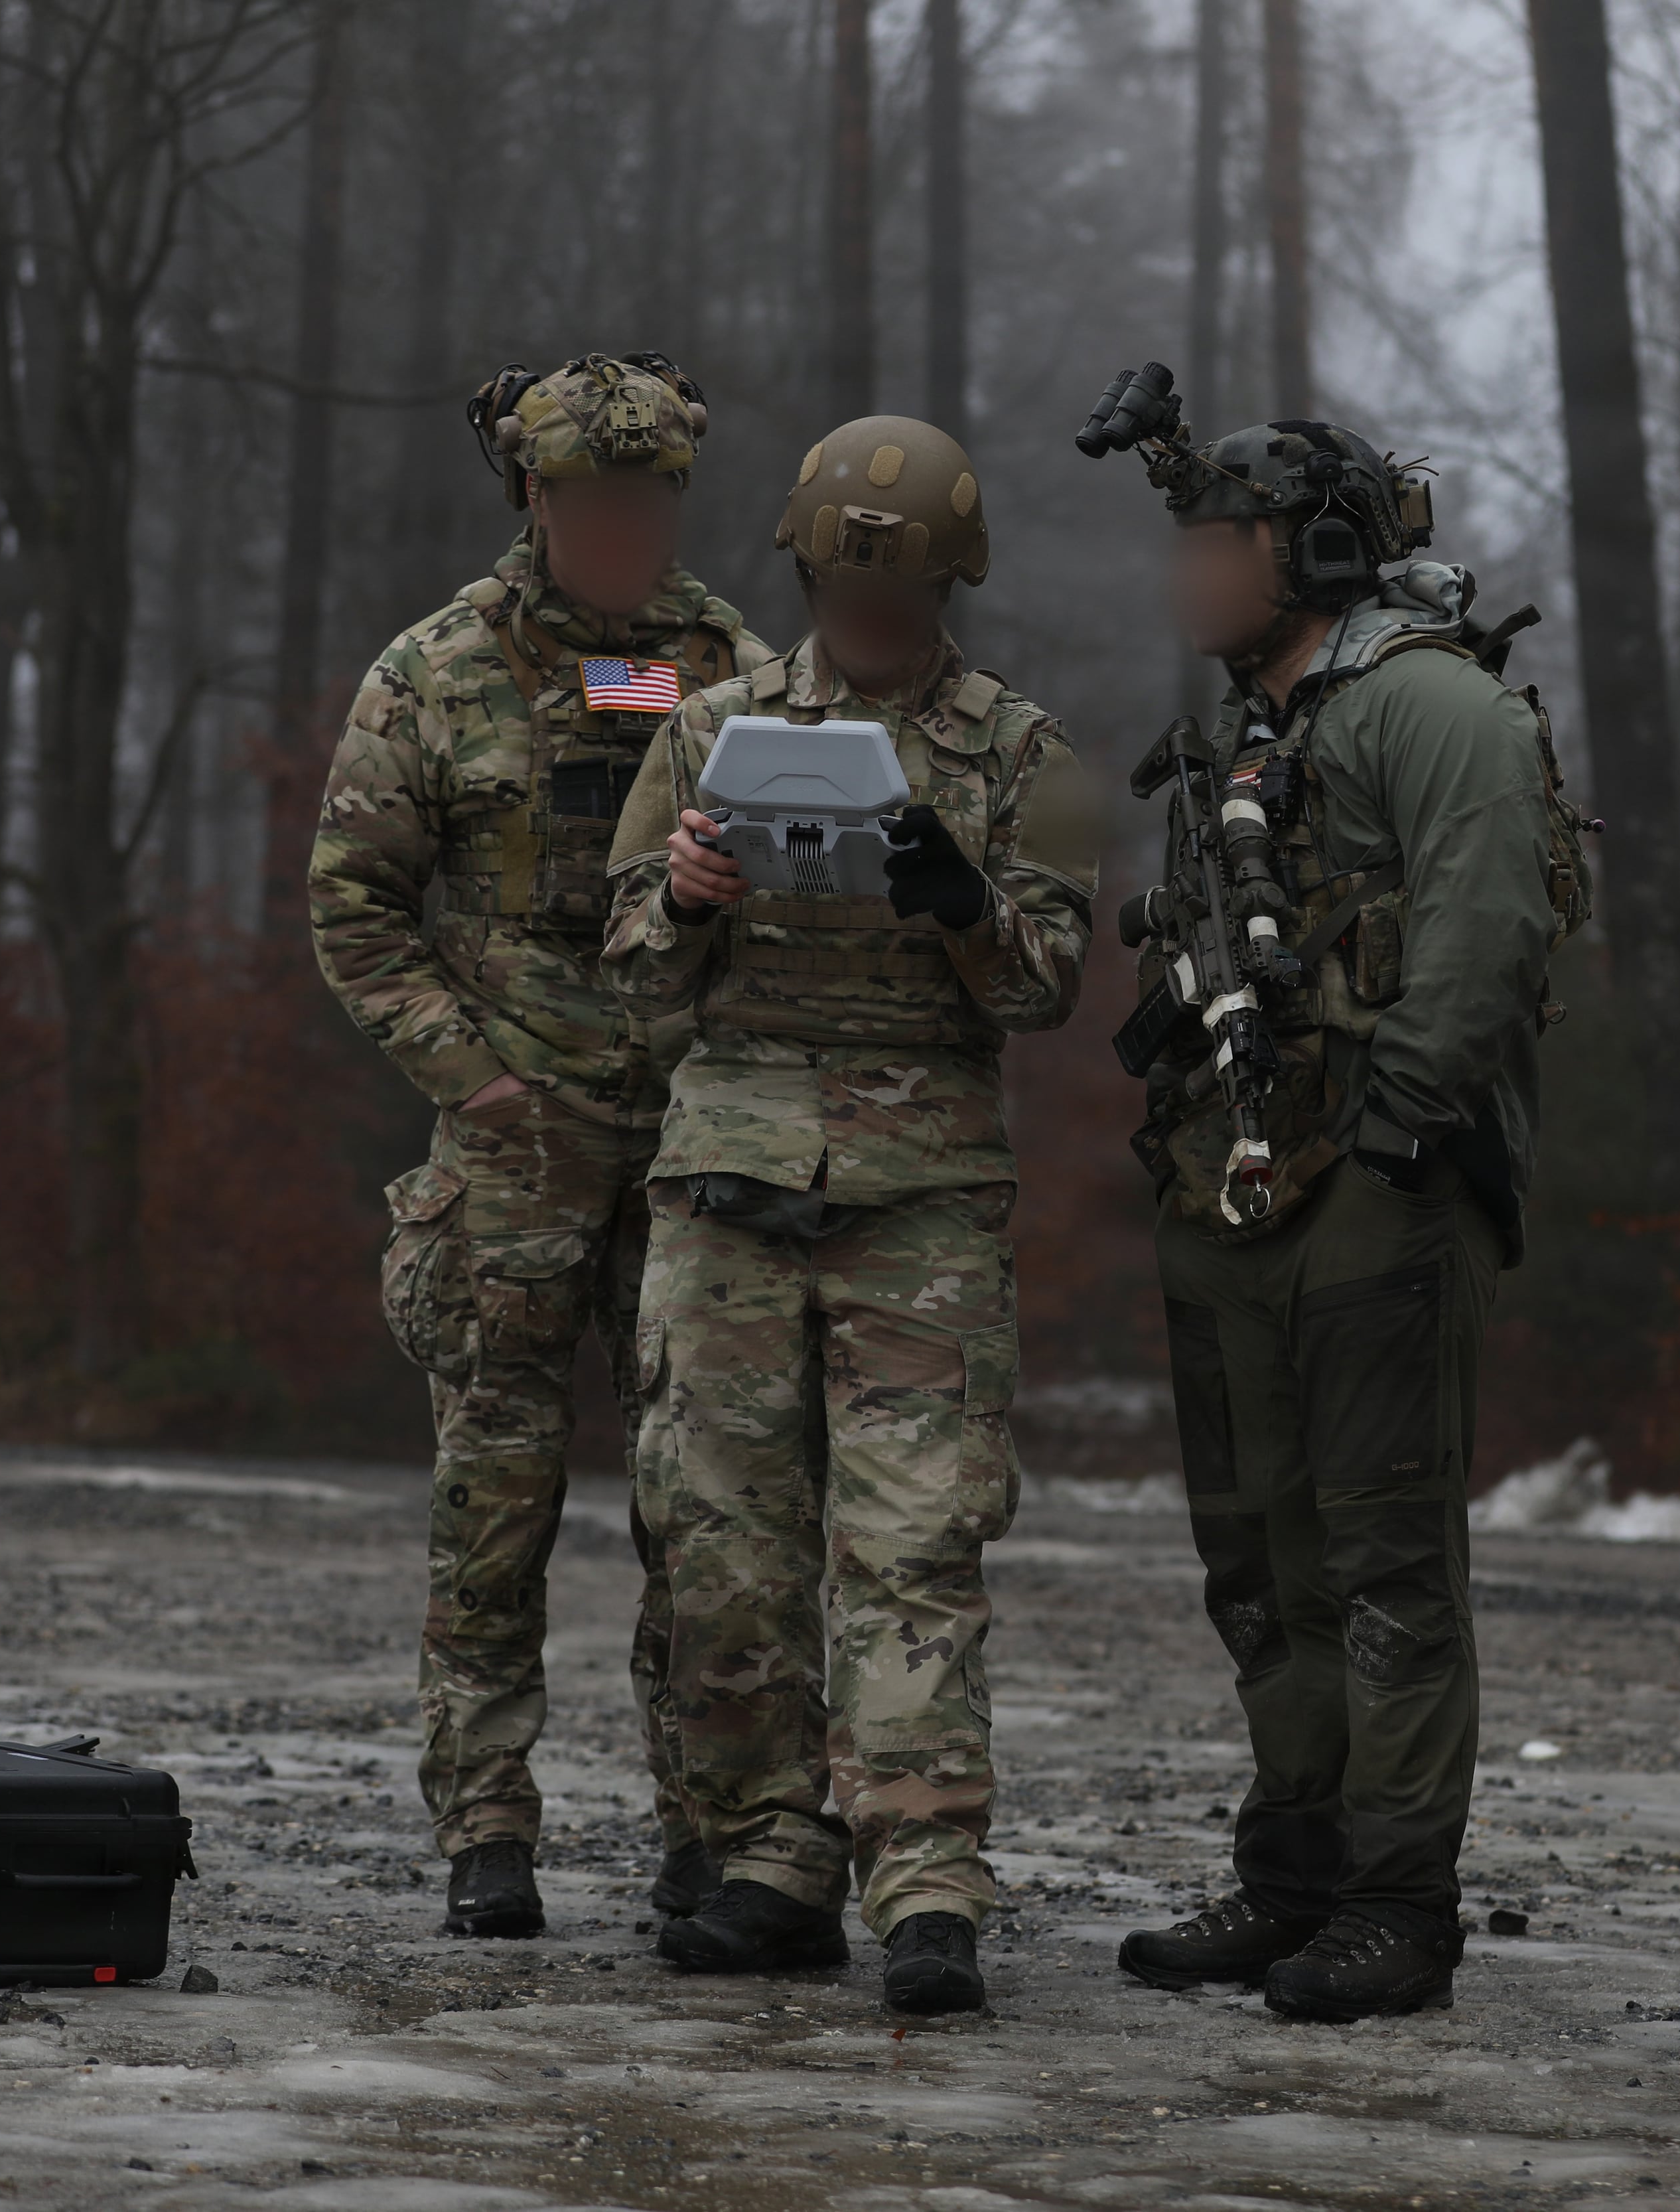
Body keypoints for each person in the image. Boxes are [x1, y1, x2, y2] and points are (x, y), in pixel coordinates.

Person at [1093, 402, 1588, 2022]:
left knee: (1380, 1555)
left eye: (1213, 543)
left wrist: (1394, 1129)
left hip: (1379, 1180)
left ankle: (1395, 1900)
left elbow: (1490, 924)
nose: (1184, 574)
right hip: (1235, 1176)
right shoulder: (1262, 725)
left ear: (1307, 552)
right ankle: (1295, 1866)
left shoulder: (1429, 705)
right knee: (1257, 1548)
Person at [600, 415, 1096, 2016]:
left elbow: (1048, 985)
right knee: (723, 1540)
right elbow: (626, 966)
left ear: (947, 586)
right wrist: (682, 898)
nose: (868, 618)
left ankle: (928, 1878)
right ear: (809, 577)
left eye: (897, 595)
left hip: (921, 1195)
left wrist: (964, 908)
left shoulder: (1026, 753)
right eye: (843, 589)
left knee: (912, 1543)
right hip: (728, 1176)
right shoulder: (707, 726)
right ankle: (770, 1857)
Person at [309, 352, 760, 1942]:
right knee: (494, 1506)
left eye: (649, 504)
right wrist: (476, 1079)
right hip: (513, 1151)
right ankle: (486, 1825)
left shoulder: (737, 669)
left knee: (704, 1505)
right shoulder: (437, 671)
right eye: (593, 505)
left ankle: (708, 1827)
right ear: (534, 499)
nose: (625, 533)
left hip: (692, 1147)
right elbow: (353, 906)